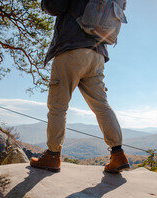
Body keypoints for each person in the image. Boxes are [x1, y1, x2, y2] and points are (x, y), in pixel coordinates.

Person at [30, 0, 130, 173]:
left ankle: (53, 155)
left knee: (58, 105)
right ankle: (118, 154)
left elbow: (54, 6)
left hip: (71, 48)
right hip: (97, 54)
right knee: (101, 105)